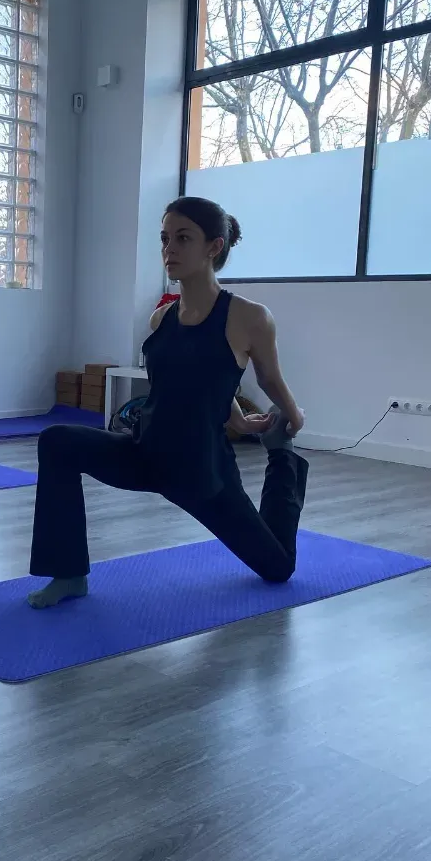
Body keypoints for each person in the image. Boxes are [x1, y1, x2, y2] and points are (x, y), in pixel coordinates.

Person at [27, 195, 308, 609]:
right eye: (164, 239)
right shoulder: (162, 318)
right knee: (56, 441)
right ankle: (69, 574)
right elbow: (188, 380)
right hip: (146, 454)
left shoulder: (249, 317)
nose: (169, 249)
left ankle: (281, 457)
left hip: (201, 473)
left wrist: (291, 415)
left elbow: (266, 377)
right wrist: (237, 417)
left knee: (277, 568)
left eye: (183, 238)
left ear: (214, 246)